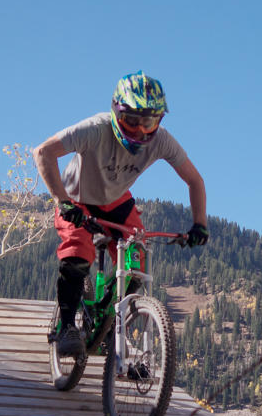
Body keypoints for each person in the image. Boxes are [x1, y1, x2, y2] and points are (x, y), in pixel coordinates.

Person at [34, 71, 208, 357]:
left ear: (159, 120)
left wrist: (199, 224)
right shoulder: (96, 128)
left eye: (149, 122)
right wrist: (62, 202)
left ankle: (108, 326)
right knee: (77, 255)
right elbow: (43, 153)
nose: (141, 131)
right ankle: (66, 327)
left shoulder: (161, 141)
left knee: (137, 265)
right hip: (77, 199)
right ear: (116, 112)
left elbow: (194, 180)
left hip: (116, 202)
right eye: (132, 121)